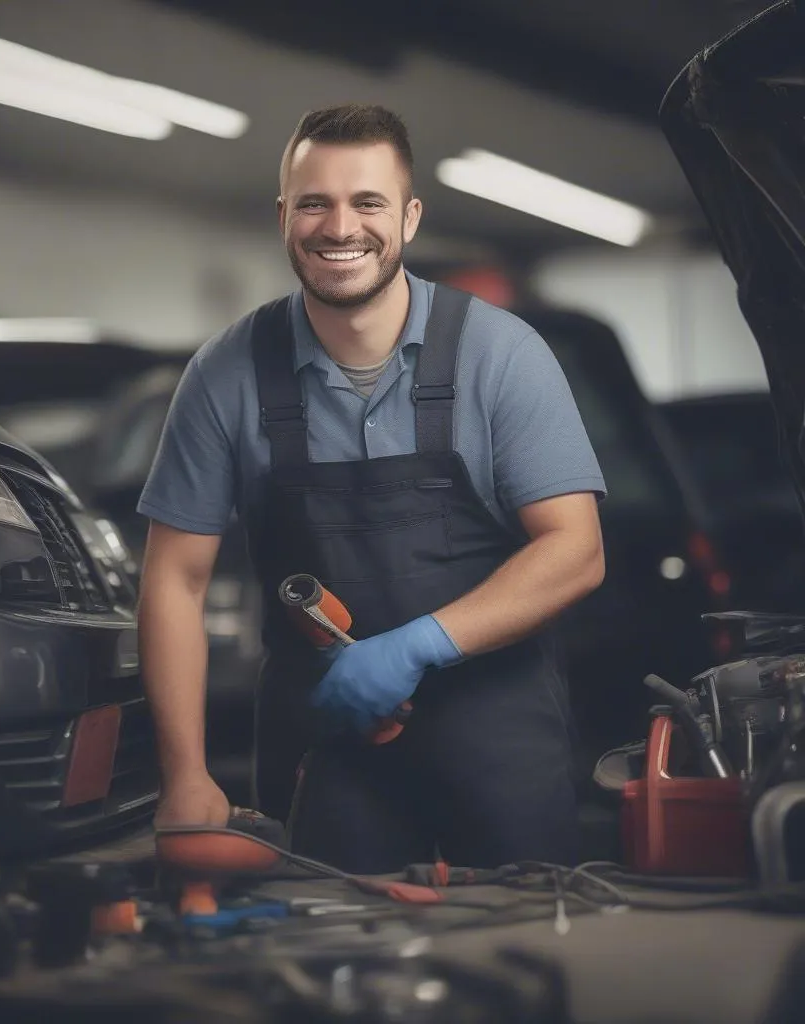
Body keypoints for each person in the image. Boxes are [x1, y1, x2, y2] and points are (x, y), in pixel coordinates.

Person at [136, 103, 607, 874]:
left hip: (498, 737)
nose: (339, 226)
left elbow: (576, 550)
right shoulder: (226, 374)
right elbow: (174, 582)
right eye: (314, 202)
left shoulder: (500, 354)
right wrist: (185, 775)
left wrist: (418, 646)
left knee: (519, 953)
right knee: (324, 963)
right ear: (284, 215)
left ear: (409, 218)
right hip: (325, 742)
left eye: (368, 202)